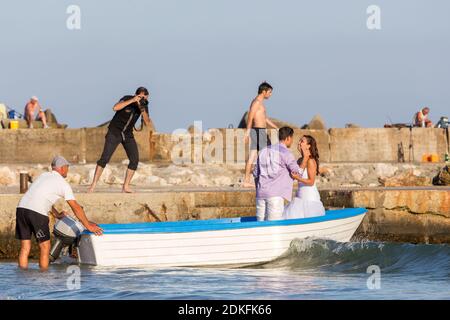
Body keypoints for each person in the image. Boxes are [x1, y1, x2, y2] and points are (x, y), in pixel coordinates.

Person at [15, 156, 103, 271]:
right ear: (62, 168)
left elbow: (38, 196)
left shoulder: (44, 176)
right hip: (37, 213)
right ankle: (44, 278)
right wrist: (88, 226)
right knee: (45, 247)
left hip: (21, 208)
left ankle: (21, 278)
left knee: (25, 248)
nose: (68, 170)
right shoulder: (62, 183)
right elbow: (76, 207)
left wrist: (56, 214)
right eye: (67, 167)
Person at [88, 87, 152, 193]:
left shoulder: (144, 105)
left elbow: (147, 122)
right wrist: (132, 100)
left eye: (144, 97)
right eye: (140, 96)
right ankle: (93, 185)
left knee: (134, 160)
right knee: (104, 158)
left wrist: (142, 108)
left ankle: (125, 186)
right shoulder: (127, 98)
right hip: (114, 132)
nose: (142, 99)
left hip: (128, 134)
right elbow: (115, 108)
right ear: (135, 95)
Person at [253, 127, 300, 221]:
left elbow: (255, 174)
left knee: (259, 226)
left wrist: (259, 189)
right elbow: (296, 172)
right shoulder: (286, 153)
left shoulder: (263, 151)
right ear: (288, 138)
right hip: (275, 196)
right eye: (292, 139)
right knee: (274, 226)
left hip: (260, 194)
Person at [243, 82, 279, 188]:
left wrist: (276, 127)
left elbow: (265, 118)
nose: (270, 94)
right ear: (264, 91)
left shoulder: (260, 103)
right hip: (258, 131)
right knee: (266, 155)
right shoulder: (256, 102)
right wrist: (247, 132)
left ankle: (248, 180)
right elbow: (250, 117)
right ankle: (261, 179)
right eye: (269, 92)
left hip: (260, 131)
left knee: (255, 155)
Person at [283, 135, 325, 219]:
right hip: (300, 196)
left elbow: (311, 181)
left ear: (308, 145)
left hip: (310, 198)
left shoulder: (311, 160)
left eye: (302, 141)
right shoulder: (299, 160)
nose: (299, 143)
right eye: (299, 141)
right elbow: (295, 174)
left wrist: (297, 178)